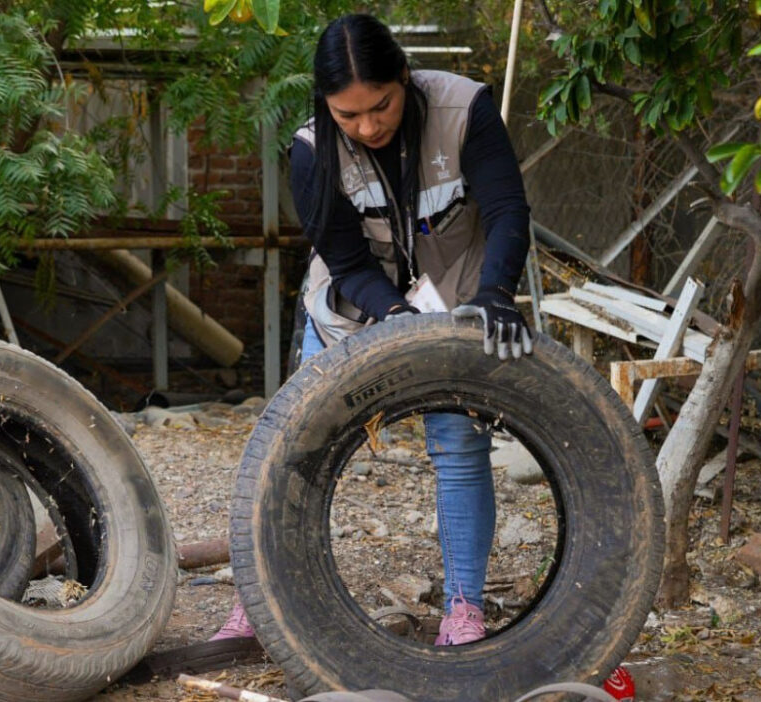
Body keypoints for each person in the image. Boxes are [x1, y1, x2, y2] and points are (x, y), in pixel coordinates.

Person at [212, 12, 532, 647]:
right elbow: (348, 260)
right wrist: (393, 315)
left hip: (457, 296)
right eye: (347, 115)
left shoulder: (465, 109)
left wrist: (496, 290)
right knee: (296, 444)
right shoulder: (311, 148)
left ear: (405, 79)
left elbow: (506, 208)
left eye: (380, 107)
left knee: (458, 445)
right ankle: (261, 595)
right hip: (353, 304)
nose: (367, 126)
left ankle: (463, 610)